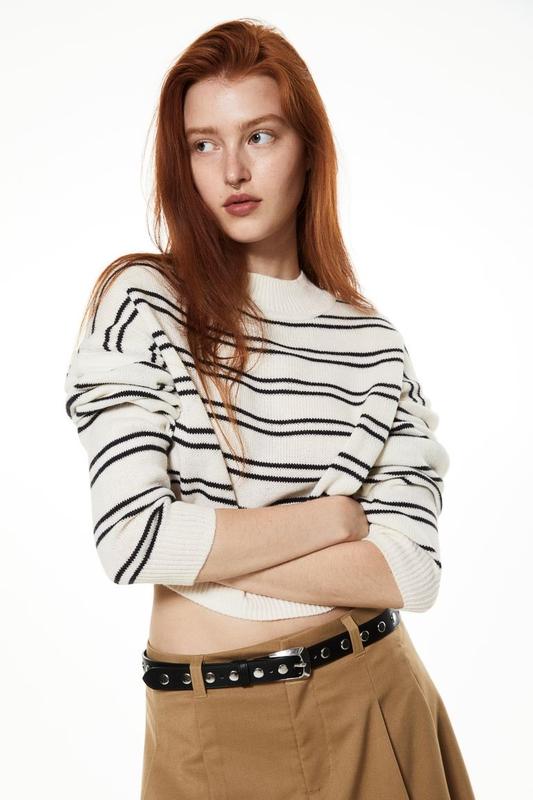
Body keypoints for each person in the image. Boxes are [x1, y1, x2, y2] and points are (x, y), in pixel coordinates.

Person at [63, 18, 476, 800]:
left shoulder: (371, 345)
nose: (232, 170)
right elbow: (134, 540)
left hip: (369, 701)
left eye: (259, 136)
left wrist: (211, 545)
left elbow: (410, 571)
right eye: (203, 144)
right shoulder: (143, 302)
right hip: (202, 728)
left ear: (307, 148)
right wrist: (331, 521)